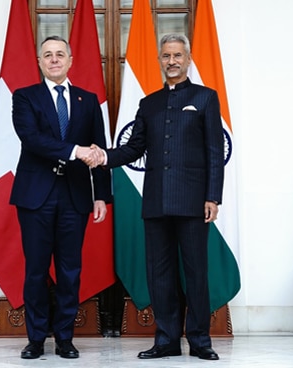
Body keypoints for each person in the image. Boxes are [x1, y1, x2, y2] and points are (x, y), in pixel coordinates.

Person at [84, 34, 224, 361]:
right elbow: (134, 149)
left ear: (188, 59)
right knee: (158, 274)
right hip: (156, 201)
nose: (172, 61)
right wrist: (103, 156)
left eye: (177, 55)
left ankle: (201, 341)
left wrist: (213, 197)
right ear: (160, 60)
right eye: (166, 56)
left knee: (195, 273)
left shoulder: (205, 98)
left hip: (193, 202)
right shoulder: (149, 104)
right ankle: (166, 340)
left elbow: (214, 153)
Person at [10, 35, 112, 359]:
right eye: (47, 55)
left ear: (70, 60)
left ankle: (65, 338)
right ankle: (36, 339)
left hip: (75, 197)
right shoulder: (24, 98)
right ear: (40, 62)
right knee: (36, 272)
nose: (54, 60)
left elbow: (99, 150)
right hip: (35, 197)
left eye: (59, 54)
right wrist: (74, 151)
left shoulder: (88, 100)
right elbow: (33, 139)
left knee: (70, 271)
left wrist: (101, 196)